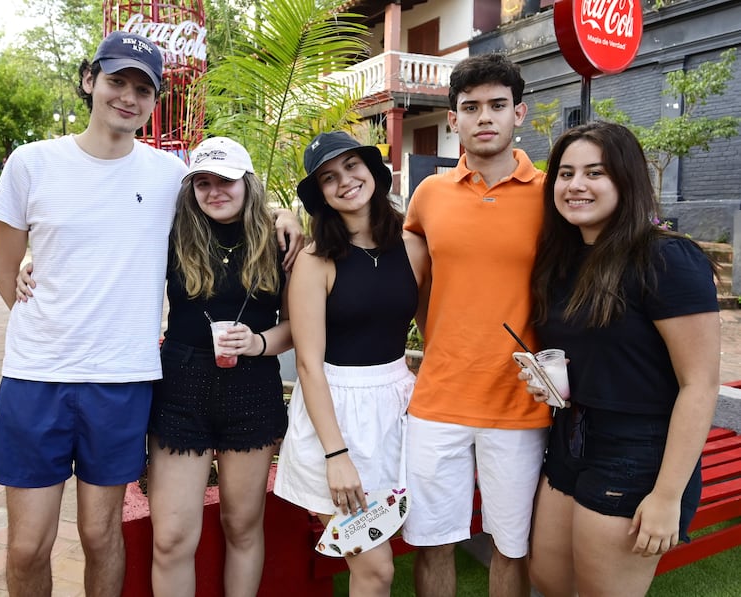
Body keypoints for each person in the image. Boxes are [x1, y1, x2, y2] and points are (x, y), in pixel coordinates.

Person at [0, 31, 302, 597]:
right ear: (90, 81)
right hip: (37, 377)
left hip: (122, 379)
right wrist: (48, 317)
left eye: (142, 88)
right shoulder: (31, 163)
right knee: (28, 546)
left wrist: (287, 216)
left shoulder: (167, 176)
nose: (127, 97)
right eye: (116, 81)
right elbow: (4, 267)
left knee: (102, 534)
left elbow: (230, 195)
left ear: (155, 100)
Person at [525, 122, 720, 597]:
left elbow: (700, 384)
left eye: (595, 172)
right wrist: (550, 383)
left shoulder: (667, 258)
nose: (576, 185)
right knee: (549, 580)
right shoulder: (565, 258)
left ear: (626, 179)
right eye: (565, 173)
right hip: (570, 438)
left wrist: (668, 495)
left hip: (638, 450)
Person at [401, 53, 552, 597]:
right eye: (470, 108)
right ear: (452, 120)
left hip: (519, 404)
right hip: (438, 397)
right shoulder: (428, 196)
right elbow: (414, 283)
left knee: (510, 545)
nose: (484, 117)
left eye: (497, 105)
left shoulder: (553, 194)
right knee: (432, 540)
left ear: (520, 113)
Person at [273, 131, 430, 596]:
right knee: (375, 567)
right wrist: (336, 456)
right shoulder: (314, 261)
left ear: (373, 171)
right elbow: (307, 364)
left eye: (352, 167)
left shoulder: (414, 248)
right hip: (334, 415)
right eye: (328, 177)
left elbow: (433, 333)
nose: (344, 181)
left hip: (398, 409)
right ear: (320, 195)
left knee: (389, 555)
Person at [146, 136, 292, 597]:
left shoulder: (280, 241)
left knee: (243, 526)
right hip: (180, 386)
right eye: (203, 182)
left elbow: (296, 326)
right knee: (170, 539)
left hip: (252, 387)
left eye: (225, 180)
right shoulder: (171, 235)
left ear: (247, 183)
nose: (215, 191)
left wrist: (259, 341)